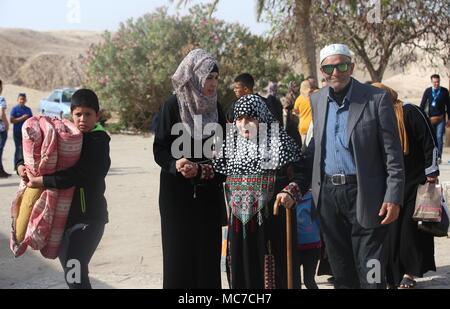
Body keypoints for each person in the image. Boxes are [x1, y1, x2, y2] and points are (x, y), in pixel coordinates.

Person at [309, 43, 405, 289]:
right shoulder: (317, 99)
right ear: (322, 71)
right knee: (341, 271)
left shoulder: (375, 98)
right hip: (329, 197)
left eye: (341, 65)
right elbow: (315, 148)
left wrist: (394, 196)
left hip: (366, 194)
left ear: (351, 67)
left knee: (371, 270)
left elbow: (392, 154)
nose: (334, 72)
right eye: (328, 67)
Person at [212, 94, 311, 289]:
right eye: (239, 119)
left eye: (250, 118)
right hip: (239, 227)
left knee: (275, 273)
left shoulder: (279, 143)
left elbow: (302, 174)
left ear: (262, 118)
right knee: (242, 272)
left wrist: (290, 191)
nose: (243, 124)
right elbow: (216, 174)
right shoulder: (230, 145)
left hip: (272, 225)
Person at [20, 89, 111, 289]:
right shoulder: (67, 136)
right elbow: (41, 148)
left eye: (88, 114)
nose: (83, 119)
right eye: (78, 114)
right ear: (71, 114)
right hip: (63, 219)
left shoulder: (99, 142)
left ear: (97, 115)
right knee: (74, 275)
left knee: (74, 270)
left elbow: (79, 174)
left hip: (89, 218)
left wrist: (42, 180)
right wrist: (21, 165)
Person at [153, 49, 227, 289]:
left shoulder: (218, 110)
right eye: (208, 77)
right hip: (177, 198)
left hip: (208, 198)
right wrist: (175, 164)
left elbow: (225, 156)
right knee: (178, 260)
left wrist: (203, 171)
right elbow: (160, 149)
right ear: (193, 76)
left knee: (207, 261)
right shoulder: (173, 106)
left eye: (215, 77)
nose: (212, 83)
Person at [372, 83, 438, 289]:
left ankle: (409, 274)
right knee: (391, 231)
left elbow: (430, 142)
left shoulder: (410, 112)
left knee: (409, 231)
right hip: (390, 184)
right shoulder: (376, 118)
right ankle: (393, 276)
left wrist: (431, 172)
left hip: (415, 182)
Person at [420, 74, 450, 164]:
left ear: (439, 81)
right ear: (431, 82)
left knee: (439, 137)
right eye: (434, 82)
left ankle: (439, 156)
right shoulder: (428, 91)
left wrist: (449, 119)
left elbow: (448, 106)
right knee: (431, 138)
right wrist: (421, 117)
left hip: (441, 118)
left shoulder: (444, 91)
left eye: (437, 82)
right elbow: (422, 104)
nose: (436, 83)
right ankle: (432, 156)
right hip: (430, 119)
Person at [296, 191, 321, 289]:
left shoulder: (314, 198)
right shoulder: (286, 198)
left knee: (309, 281)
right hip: (295, 246)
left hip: (312, 247)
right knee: (299, 281)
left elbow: (321, 222)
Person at [10, 93, 32, 170]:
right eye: (20, 99)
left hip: (26, 133)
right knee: (18, 149)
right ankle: (16, 167)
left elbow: (32, 121)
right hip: (17, 132)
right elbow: (11, 120)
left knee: (26, 149)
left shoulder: (28, 110)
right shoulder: (14, 109)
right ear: (18, 100)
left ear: (26, 100)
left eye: (23, 99)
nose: (22, 101)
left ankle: (25, 167)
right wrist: (22, 118)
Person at [0, 79, 11, 177]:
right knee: (0, 149)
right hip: (1, 128)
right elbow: (1, 113)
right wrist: (6, 124)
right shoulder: (1, 99)